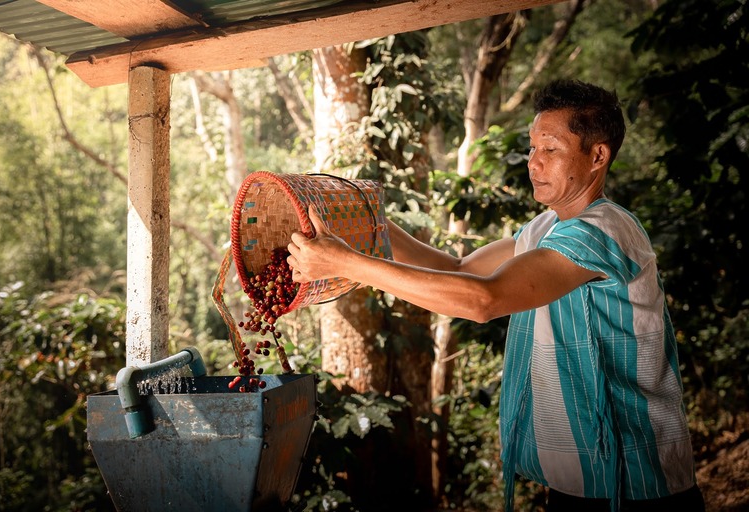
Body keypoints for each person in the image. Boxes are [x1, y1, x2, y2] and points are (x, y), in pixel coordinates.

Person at [287, 79, 704, 512]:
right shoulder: (546, 228)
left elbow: (483, 299)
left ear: (598, 156)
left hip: (638, 484)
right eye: (532, 148)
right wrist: (373, 227)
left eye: (551, 149)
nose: (534, 163)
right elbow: (458, 269)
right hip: (582, 480)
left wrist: (346, 264)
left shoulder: (604, 231)